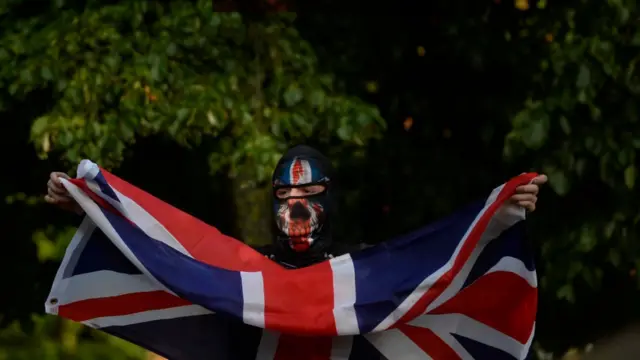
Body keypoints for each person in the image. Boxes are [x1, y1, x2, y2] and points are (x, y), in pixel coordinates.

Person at [45, 145, 547, 269]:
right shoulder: (243, 272)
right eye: (285, 197)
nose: (297, 209)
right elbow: (158, 259)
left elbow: (445, 267)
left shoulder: (367, 268)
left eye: (309, 197)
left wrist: (501, 215)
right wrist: (89, 209)